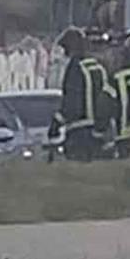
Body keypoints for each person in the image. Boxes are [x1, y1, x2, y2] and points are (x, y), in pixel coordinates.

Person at [49, 27, 114, 161]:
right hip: (98, 133)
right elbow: (107, 99)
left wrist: (56, 123)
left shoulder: (75, 68)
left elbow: (72, 102)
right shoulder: (98, 67)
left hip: (78, 132)